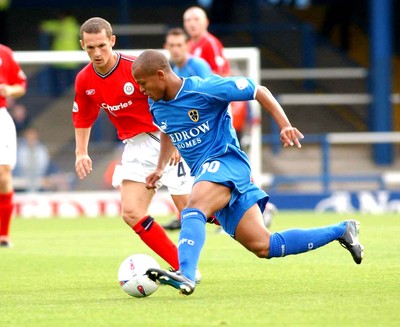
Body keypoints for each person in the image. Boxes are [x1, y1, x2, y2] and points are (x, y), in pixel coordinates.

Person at [131, 49, 365, 296]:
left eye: (143, 83)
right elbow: (167, 129)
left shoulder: (205, 88)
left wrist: (284, 125)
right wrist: (160, 167)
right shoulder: (155, 104)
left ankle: (186, 274)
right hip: (209, 173)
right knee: (265, 246)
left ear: (160, 75)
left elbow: (258, 91)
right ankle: (343, 229)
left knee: (193, 208)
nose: (141, 89)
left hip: (226, 161)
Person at [72, 17, 198, 274]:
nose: (97, 53)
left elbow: (174, 98)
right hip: (135, 147)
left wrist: (175, 138)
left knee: (193, 211)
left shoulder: (135, 67)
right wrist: (81, 152)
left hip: (164, 140)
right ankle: (183, 267)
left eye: (102, 46)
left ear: (112, 41)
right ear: (82, 45)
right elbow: (83, 115)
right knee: (131, 212)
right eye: (90, 48)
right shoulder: (85, 80)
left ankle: (245, 215)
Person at [162, 27, 212, 231]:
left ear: (187, 46)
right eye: (171, 45)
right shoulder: (173, 71)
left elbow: (209, 99)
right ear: (166, 47)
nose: (175, 49)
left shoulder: (198, 66)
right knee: (183, 174)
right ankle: (184, 215)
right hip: (190, 132)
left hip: (208, 129)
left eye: (179, 45)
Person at [0, 43, 27, 247]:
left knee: (3, 172)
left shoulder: (4, 53)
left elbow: (20, 85)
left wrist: (8, 89)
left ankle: (3, 235)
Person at [40, 10, 81, 96]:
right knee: (73, 79)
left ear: (63, 16)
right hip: (73, 58)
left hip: (60, 58)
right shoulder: (75, 26)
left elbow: (45, 26)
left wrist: (43, 25)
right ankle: (73, 94)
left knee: (59, 79)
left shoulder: (61, 25)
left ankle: (58, 94)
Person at [183, 6, 230, 76]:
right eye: (188, 20)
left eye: (196, 19)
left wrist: (202, 82)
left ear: (206, 22)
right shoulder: (187, 45)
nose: (192, 24)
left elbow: (222, 72)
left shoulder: (210, 43)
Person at [14, 127, 50, 192]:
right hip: (21, 176)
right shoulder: (19, 150)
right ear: (25, 137)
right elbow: (18, 166)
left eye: (33, 137)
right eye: (29, 137)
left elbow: (44, 166)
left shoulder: (42, 149)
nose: (31, 139)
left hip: (39, 176)